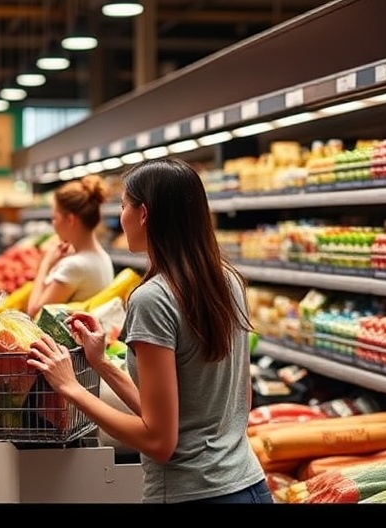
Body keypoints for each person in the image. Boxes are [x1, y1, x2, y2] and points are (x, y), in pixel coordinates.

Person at [26, 157, 271, 504]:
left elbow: (159, 440)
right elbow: (225, 405)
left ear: (144, 214)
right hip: (250, 485)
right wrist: (102, 363)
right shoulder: (228, 280)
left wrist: (70, 388)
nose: (120, 217)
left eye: (124, 205)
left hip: (193, 494)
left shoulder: (153, 299)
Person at [25, 174, 114, 320]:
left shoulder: (74, 265)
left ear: (70, 220)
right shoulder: (103, 256)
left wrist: (45, 264)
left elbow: (34, 313)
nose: (53, 224)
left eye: (55, 217)